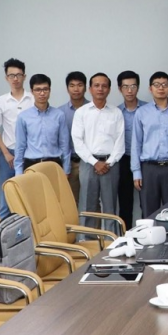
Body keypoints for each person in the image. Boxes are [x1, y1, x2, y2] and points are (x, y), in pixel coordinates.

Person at [131, 72, 168, 216]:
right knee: (149, 212)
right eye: (157, 85)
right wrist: (136, 171)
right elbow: (136, 143)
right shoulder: (141, 112)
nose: (161, 88)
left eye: (164, 85)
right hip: (148, 169)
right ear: (150, 89)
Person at [71, 73, 124, 228]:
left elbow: (120, 142)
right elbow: (78, 141)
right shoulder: (81, 112)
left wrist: (108, 162)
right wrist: (95, 162)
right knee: (87, 205)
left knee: (110, 206)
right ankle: (85, 239)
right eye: (96, 85)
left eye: (104, 86)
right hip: (88, 163)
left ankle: (110, 239)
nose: (100, 89)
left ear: (109, 89)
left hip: (110, 164)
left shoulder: (116, 112)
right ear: (90, 89)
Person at [0, 59, 32, 218]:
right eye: (11, 75)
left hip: (29, 154)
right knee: (6, 198)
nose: (15, 79)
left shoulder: (33, 99)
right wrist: (6, 153)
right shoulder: (1, 101)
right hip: (8, 154)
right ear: (6, 78)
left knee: (28, 197)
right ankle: (3, 232)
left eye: (18, 75)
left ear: (24, 76)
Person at [13, 74, 70, 175]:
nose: (42, 93)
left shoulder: (59, 115)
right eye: (38, 90)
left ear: (50, 90)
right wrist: (18, 172)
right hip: (31, 165)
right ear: (32, 91)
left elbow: (64, 145)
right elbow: (20, 146)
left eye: (45, 89)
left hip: (54, 164)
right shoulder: (23, 117)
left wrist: (66, 169)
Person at [116, 71, 147, 228]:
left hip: (145, 160)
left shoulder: (148, 109)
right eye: (125, 87)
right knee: (125, 203)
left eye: (133, 86)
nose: (129, 90)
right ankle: (125, 235)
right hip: (123, 159)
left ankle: (147, 234)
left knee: (146, 202)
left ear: (138, 88)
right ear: (119, 89)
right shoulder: (116, 112)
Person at [60, 71, 88, 205]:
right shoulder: (60, 112)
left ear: (86, 88)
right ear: (67, 89)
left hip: (89, 163)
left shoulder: (93, 109)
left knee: (91, 201)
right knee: (70, 202)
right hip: (70, 163)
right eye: (72, 85)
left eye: (80, 85)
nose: (76, 89)